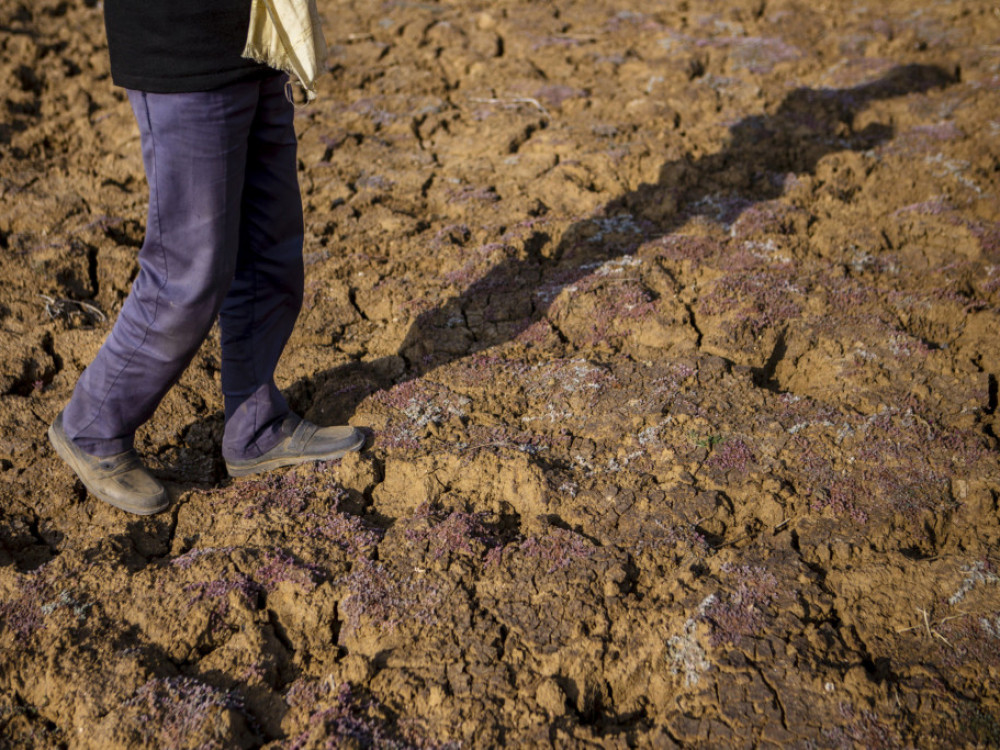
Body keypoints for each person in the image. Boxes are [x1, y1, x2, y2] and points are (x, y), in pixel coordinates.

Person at [47, 0, 363, 516]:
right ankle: (93, 426)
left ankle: (256, 427)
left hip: (259, 39)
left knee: (270, 247)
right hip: (182, 49)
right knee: (189, 272)